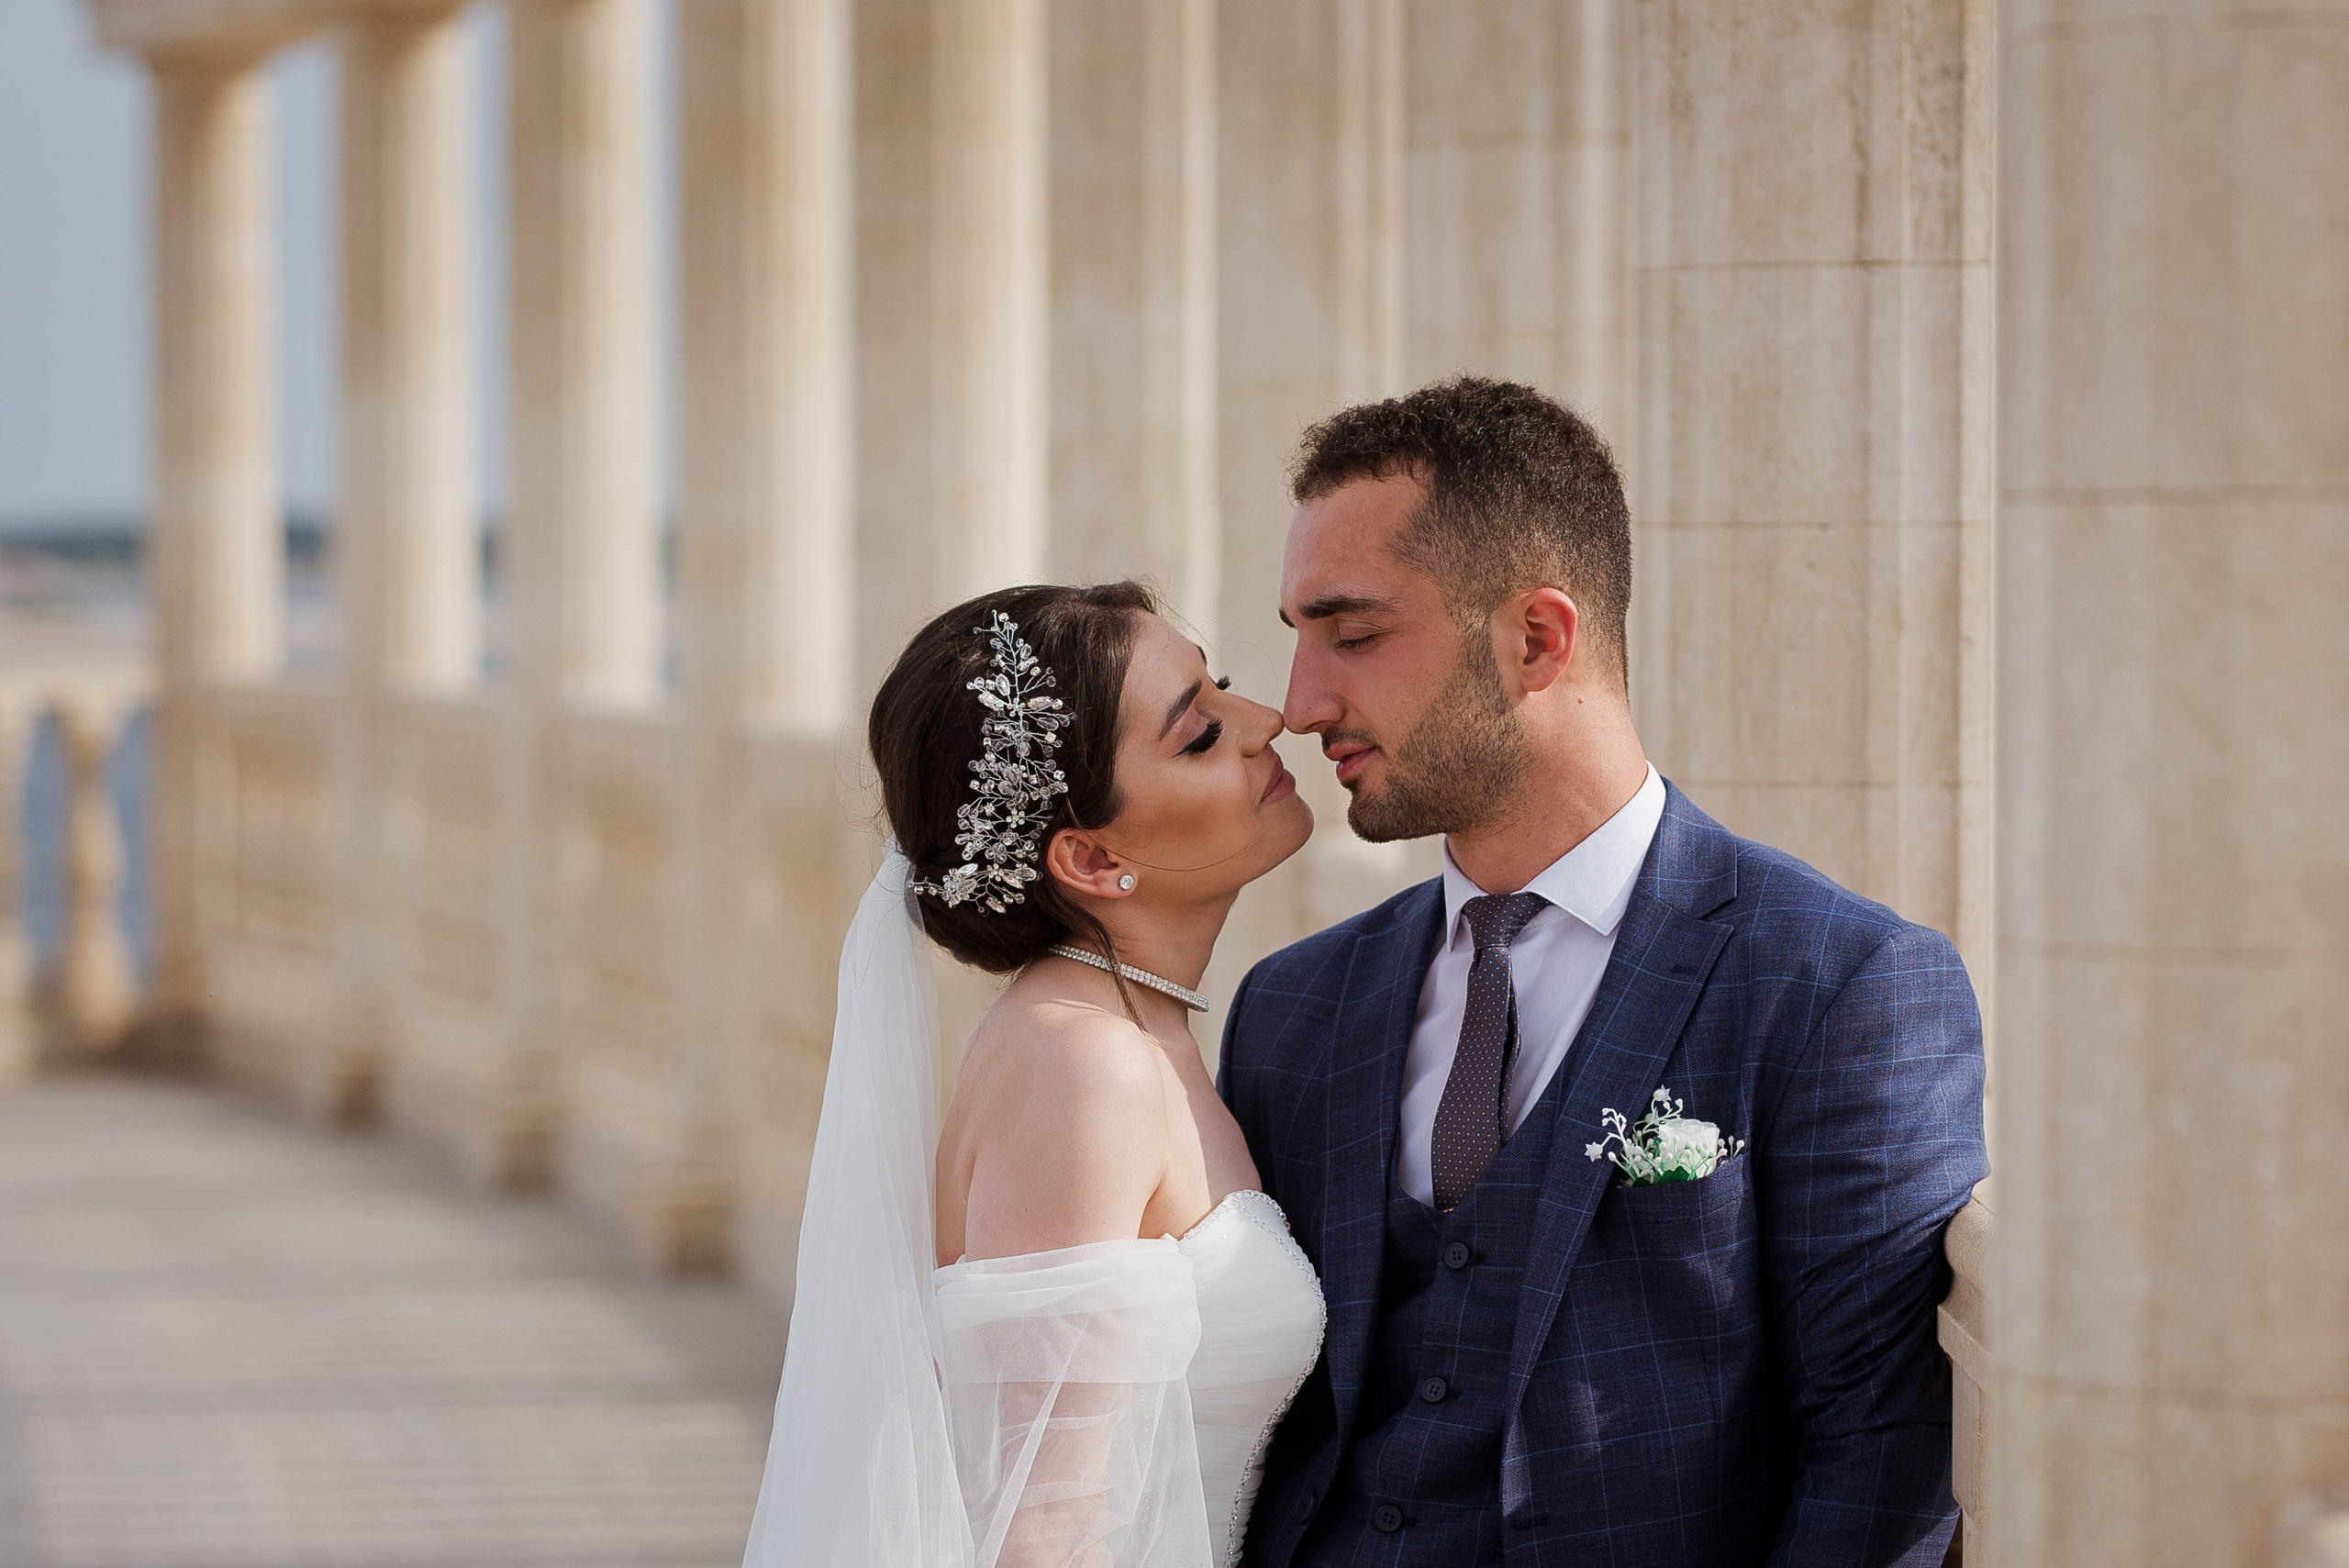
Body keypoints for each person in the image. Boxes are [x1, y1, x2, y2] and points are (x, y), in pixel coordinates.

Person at [1219, 377, 1988, 1566]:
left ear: (1537, 638)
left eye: (1354, 634)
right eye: (1300, 639)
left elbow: (1881, 1461)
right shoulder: (1291, 1005)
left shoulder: (1840, 986)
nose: (1304, 701)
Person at [743, 582, 1328, 1568]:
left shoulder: (1133, 1032)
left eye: (1219, 687)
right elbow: (1048, 1525)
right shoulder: (1082, 1064)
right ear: (1092, 858)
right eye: (1196, 734)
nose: (1266, 720)